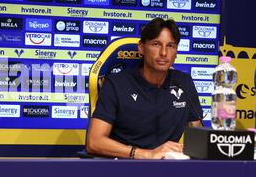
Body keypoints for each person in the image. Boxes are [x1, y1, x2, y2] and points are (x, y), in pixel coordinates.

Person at [86, 17, 202, 159]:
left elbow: (200, 138)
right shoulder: (116, 83)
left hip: (168, 170)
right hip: (123, 168)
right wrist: (147, 154)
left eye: (170, 46)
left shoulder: (184, 82)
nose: (164, 53)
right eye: (156, 44)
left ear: (176, 51)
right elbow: (94, 142)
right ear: (141, 47)